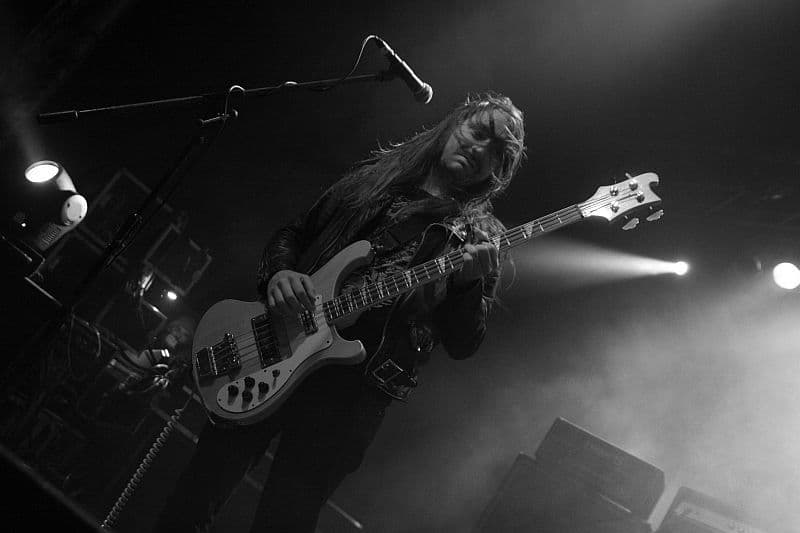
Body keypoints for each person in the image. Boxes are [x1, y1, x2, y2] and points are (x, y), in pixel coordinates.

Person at [153, 91, 526, 532]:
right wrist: (279, 274)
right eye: (477, 132)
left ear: (497, 171)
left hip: (348, 397)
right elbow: (295, 232)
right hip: (280, 345)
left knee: (284, 521)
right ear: (454, 124)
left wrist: (466, 288)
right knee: (194, 497)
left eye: (495, 151)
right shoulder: (377, 179)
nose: (479, 148)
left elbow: (465, 343)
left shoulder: (480, 238)